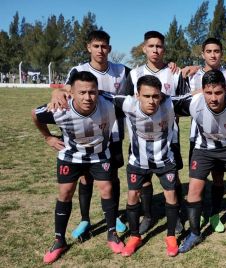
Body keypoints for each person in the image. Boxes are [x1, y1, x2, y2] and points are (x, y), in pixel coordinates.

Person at [32, 71, 124, 264]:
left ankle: (112, 234)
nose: (88, 97)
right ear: (71, 93)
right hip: (71, 156)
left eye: (92, 92)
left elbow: (136, 101)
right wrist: (48, 137)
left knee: (106, 189)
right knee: (65, 192)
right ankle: (59, 240)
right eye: (82, 92)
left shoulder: (109, 102)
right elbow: (35, 115)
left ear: (98, 92)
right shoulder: (60, 109)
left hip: (99, 155)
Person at [49, 30, 130, 238]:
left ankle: (116, 217)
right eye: (96, 46)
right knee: (85, 177)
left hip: (112, 133)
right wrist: (56, 92)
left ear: (109, 49)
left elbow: (144, 80)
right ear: (89, 47)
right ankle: (85, 219)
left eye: (104, 46)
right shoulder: (79, 69)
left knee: (111, 176)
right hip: (83, 133)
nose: (100, 50)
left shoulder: (121, 70)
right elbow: (65, 90)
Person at [174, 70, 226, 254]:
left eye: (218, 92)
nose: (213, 98)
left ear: (225, 90)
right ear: (202, 91)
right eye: (208, 93)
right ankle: (194, 233)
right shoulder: (194, 103)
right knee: (193, 190)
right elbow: (168, 100)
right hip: (204, 150)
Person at [122, 30, 190, 235]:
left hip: (169, 137)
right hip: (140, 139)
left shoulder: (174, 72)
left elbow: (183, 101)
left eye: (159, 46)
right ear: (144, 49)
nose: (155, 50)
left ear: (164, 49)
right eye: (151, 46)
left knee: (173, 177)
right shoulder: (134, 74)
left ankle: (176, 215)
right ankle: (148, 215)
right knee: (144, 179)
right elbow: (124, 103)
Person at [111, 75, 181, 257]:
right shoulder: (128, 104)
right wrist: (60, 91)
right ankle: (135, 236)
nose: (152, 101)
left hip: (165, 161)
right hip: (138, 161)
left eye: (156, 96)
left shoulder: (170, 104)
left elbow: (196, 96)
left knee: (171, 195)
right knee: (133, 195)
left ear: (162, 96)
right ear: (137, 95)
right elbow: (99, 94)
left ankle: (171, 236)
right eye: (147, 96)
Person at [186, 37, 226, 233]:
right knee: (196, 179)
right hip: (198, 135)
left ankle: (215, 214)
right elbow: (188, 99)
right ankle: (198, 213)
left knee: (218, 178)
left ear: (221, 54)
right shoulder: (192, 75)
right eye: (209, 51)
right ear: (203, 54)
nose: (213, 55)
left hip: (221, 135)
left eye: (216, 51)